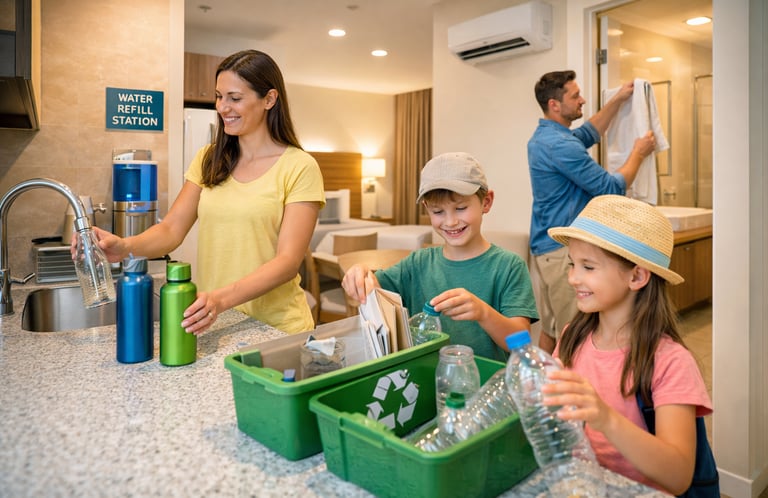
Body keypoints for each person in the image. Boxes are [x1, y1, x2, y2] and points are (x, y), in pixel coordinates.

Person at [94, 49, 324, 335]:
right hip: (219, 324)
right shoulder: (209, 159)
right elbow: (170, 230)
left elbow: (287, 262)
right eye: (219, 96)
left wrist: (220, 299)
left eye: (235, 98)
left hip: (276, 329)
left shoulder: (300, 167)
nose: (222, 107)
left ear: (269, 99)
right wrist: (126, 246)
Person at [543, 194, 712, 494]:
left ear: (637, 276)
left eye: (588, 267)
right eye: (572, 264)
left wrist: (605, 418)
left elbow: (678, 475)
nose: (572, 278)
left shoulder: (670, 362)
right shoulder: (571, 337)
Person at [342, 152, 539, 362]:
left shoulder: (509, 266)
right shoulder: (417, 264)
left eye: (461, 208)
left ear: (486, 202)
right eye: (438, 212)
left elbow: (522, 343)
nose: (451, 221)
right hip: (424, 383)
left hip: (485, 385)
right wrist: (359, 275)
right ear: (427, 209)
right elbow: (371, 287)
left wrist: (483, 313)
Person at [528, 70, 657, 354]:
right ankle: (569, 392)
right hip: (559, 252)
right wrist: (638, 152)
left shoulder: (551, 136)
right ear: (554, 105)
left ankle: (540, 390)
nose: (582, 100)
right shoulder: (558, 144)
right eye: (575, 96)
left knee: (552, 328)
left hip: (547, 249)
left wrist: (619, 99)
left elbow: (589, 132)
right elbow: (610, 188)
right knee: (573, 332)